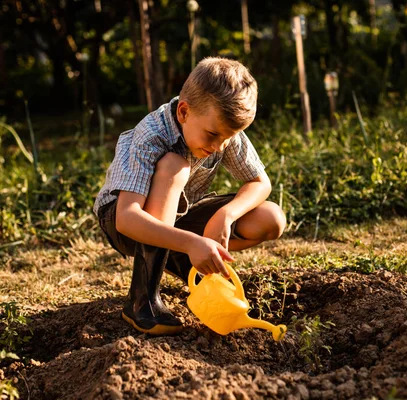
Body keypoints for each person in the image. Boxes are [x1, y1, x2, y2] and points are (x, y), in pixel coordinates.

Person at [94, 57, 286, 336]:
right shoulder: (152, 134)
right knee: (175, 165)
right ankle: (141, 300)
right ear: (183, 112)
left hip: (179, 216)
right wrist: (193, 241)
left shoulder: (218, 127)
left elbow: (260, 182)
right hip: (126, 222)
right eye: (213, 135)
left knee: (270, 218)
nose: (219, 147)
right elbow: (126, 218)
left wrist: (225, 216)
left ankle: (182, 261)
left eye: (228, 138)